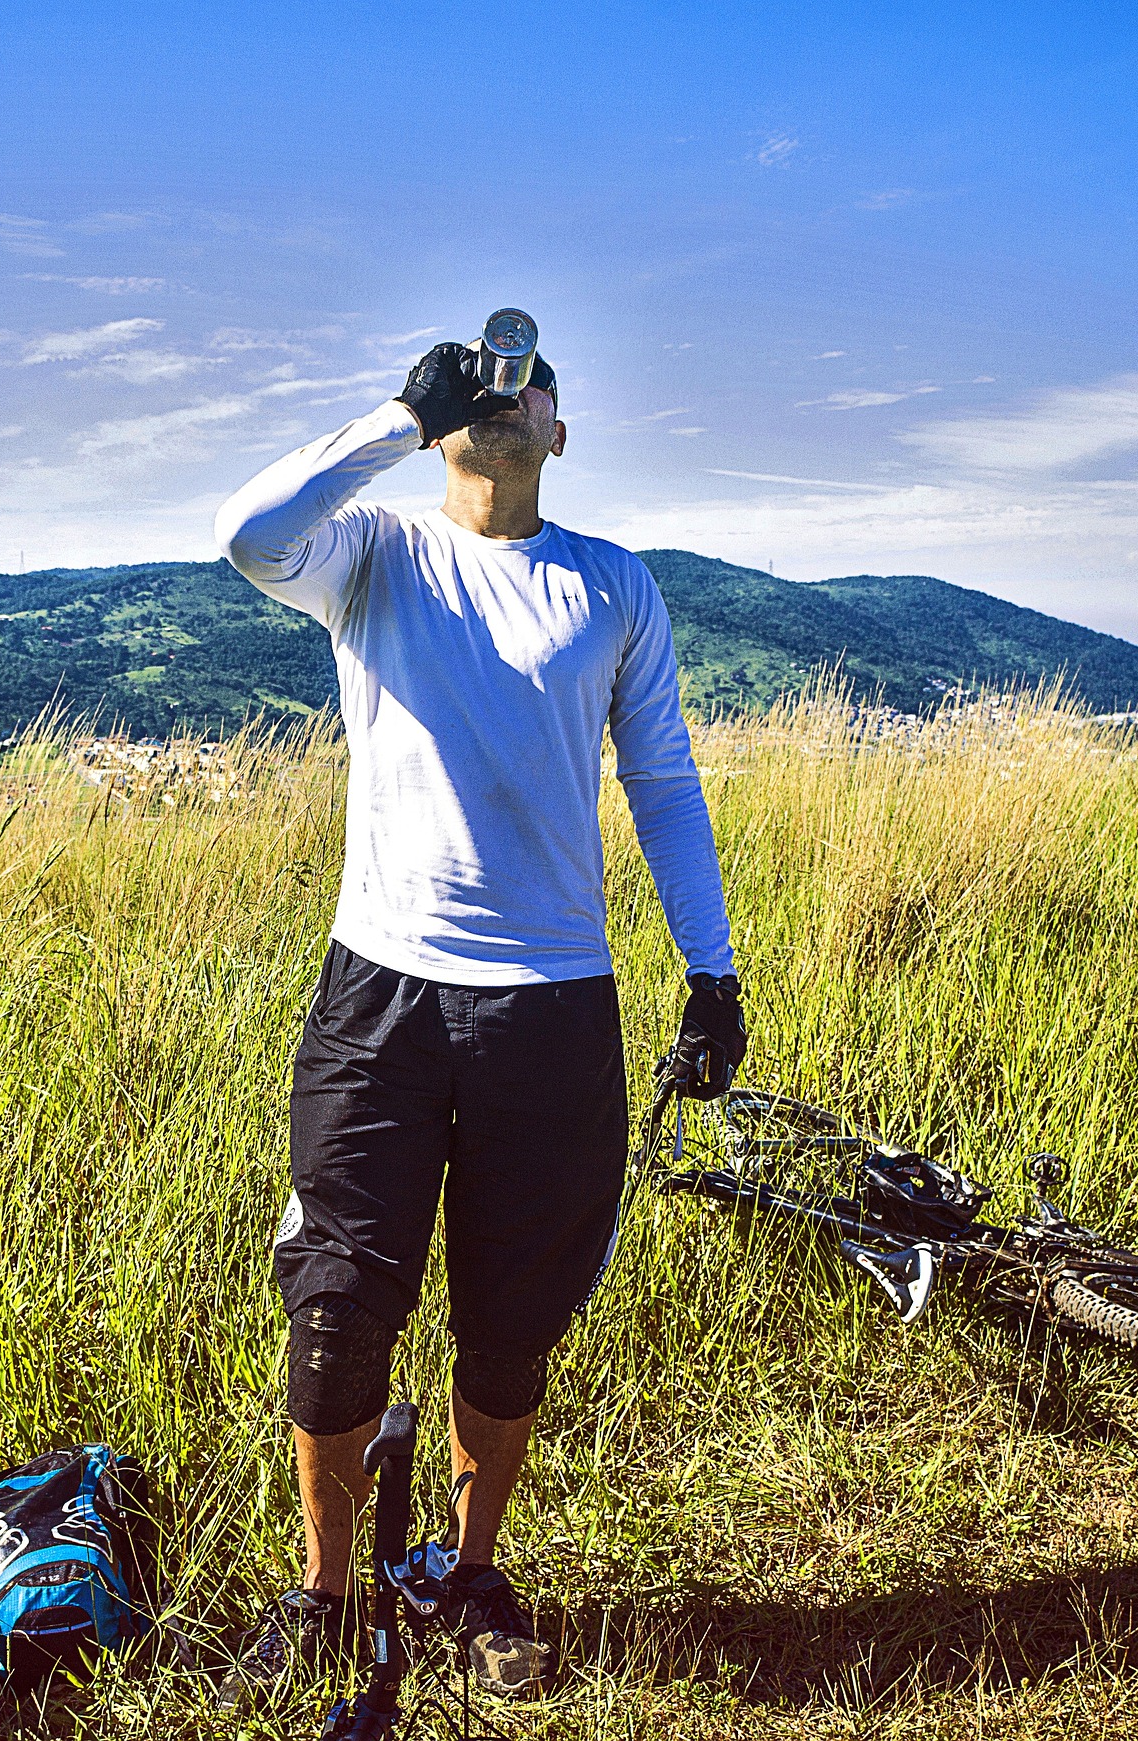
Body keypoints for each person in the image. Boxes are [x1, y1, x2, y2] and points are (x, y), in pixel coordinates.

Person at [211, 334, 746, 1703]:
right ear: (457, 419)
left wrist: (713, 966)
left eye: (536, 386)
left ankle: (463, 1570)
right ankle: (327, 1589)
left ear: (562, 434)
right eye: (485, 387)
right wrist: (401, 414)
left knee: (509, 1325)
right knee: (333, 1310)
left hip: (553, 1005)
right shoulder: (376, 551)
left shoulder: (613, 586)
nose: (510, 400)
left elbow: (666, 783)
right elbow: (245, 532)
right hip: (378, 993)